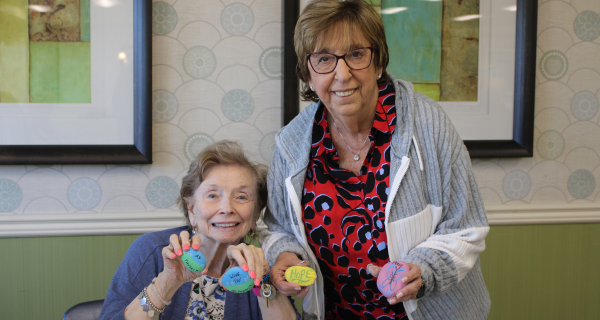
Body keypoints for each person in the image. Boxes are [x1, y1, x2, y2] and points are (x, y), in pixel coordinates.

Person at [259, 0, 491, 319]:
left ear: (378, 61)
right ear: (308, 74)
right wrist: (283, 255)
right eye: (324, 58)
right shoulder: (291, 144)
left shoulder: (428, 126)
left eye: (356, 54)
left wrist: (425, 270)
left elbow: (466, 228)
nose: (342, 73)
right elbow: (277, 228)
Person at [99, 140, 298, 320]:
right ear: (192, 209)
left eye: (242, 197)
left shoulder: (261, 263)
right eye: (212, 195)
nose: (227, 208)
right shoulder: (151, 251)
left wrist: (263, 282)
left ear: (255, 215)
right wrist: (165, 283)